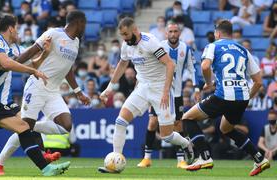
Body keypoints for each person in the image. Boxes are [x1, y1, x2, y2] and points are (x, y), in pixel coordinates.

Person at [0, 13, 70, 176]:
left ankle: (46, 168)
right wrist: (33, 71)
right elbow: (4, 62)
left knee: (23, 126)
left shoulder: (16, 49)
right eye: (16, 28)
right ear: (10, 28)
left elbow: (32, 63)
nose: (18, 32)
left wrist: (44, 53)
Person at [0, 10, 90, 175]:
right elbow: (31, 51)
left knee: (66, 126)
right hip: (36, 85)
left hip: (53, 91)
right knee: (24, 128)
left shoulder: (76, 42)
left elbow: (68, 68)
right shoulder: (53, 34)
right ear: (79, 22)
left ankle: (30, 126)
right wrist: (10, 65)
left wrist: (78, 92)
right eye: (84, 24)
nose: (85, 27)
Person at [98, 17, 194, 173]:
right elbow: (122, 64)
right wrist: (109, 88)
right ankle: (114, 162)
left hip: (160, 89)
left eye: (126, 34)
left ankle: (186, 144)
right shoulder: (126, 45)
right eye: (122, 35)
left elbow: (170, 64)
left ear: (135, 30)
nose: (124, 38)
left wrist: (165, 92)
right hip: (142, 88)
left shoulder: (150, 42)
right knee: (120, 121)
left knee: (166, 136)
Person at [181, 19, 270, 176]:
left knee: (187, 118)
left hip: (224, 96)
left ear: (218, 33)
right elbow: (258, 82)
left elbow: (205, 66)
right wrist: (245, 98)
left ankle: (204, 156)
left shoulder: (213, 46)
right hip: (241, 98)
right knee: (225, 129)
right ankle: (259, 158)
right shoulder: (243, 50)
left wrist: (208, 83)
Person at [137, 22, 200, 169]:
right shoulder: (159, 47)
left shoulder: (186, 48)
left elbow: (193, 69)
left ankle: (180, 160)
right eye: (170, 31)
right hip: (158, 92)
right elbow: (149, 67)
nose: (173, 34)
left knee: (177, 125)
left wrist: (196, 88)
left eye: (175, 31)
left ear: (179, 33)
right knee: (152, 122)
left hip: (176, 94)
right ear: (166, 33)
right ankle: (147, 158)